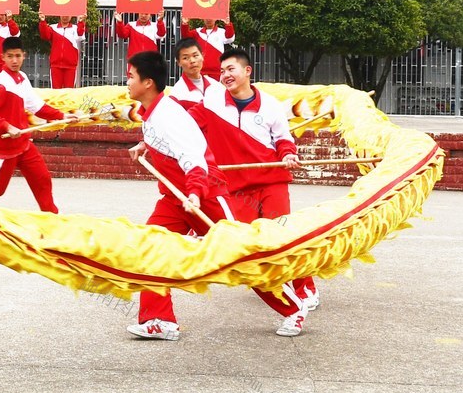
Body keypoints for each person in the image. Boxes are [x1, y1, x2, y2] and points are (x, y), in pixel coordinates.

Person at [124, 51, 308, 341]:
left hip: (206, 196)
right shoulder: (155, 113)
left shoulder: (167, 115)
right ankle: (159, 320)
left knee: (240, 256)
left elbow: (194, 159)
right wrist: (146, 144)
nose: (126, 82)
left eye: (130, 76)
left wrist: (195, 193)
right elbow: (174, 139)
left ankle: (293, 308)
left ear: (147, 83)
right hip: (175, 200)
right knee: (150, 245)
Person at [191, 47, 320, 311]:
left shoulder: (271, 105)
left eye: (231, 69)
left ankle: (305, 287)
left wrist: (288, 154)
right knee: (247, 241)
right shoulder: (213, 100)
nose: (225, 75)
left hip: (271, 181)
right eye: (222, 71)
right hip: (236, 186)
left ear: (247, 70)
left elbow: (283, 139)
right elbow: (185, 124)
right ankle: (272, 284)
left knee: (282, 236)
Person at [0, 36, 78, 213]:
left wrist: (62, 115)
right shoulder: (2, 84)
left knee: (42, 179)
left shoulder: (21, 78)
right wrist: (7, 126)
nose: (14, 60)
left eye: (18, 56)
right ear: (3, 57)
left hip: (23, 143)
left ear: (24, 55)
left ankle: (51, 218)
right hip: (6, 147)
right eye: (10, 56)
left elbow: (36, 106)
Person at [38, 13, 86, 89]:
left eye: (67, 15)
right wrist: (42, 21)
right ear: (59, 15)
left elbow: (80, 35)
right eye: (63, 14)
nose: (65, 17)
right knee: (56, 91)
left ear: (71, 16)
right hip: (56, 65)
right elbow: (45, 35)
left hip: (70, 66)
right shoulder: (53, 27)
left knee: (69, 91)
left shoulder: (75, 28)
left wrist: (81, 22)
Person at [169, 37, 222, 105]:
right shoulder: (177, 95)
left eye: (195, 55)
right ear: (179, 62)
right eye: (185, 58)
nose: (192, 61)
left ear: (202, 56)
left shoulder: (216, 86)